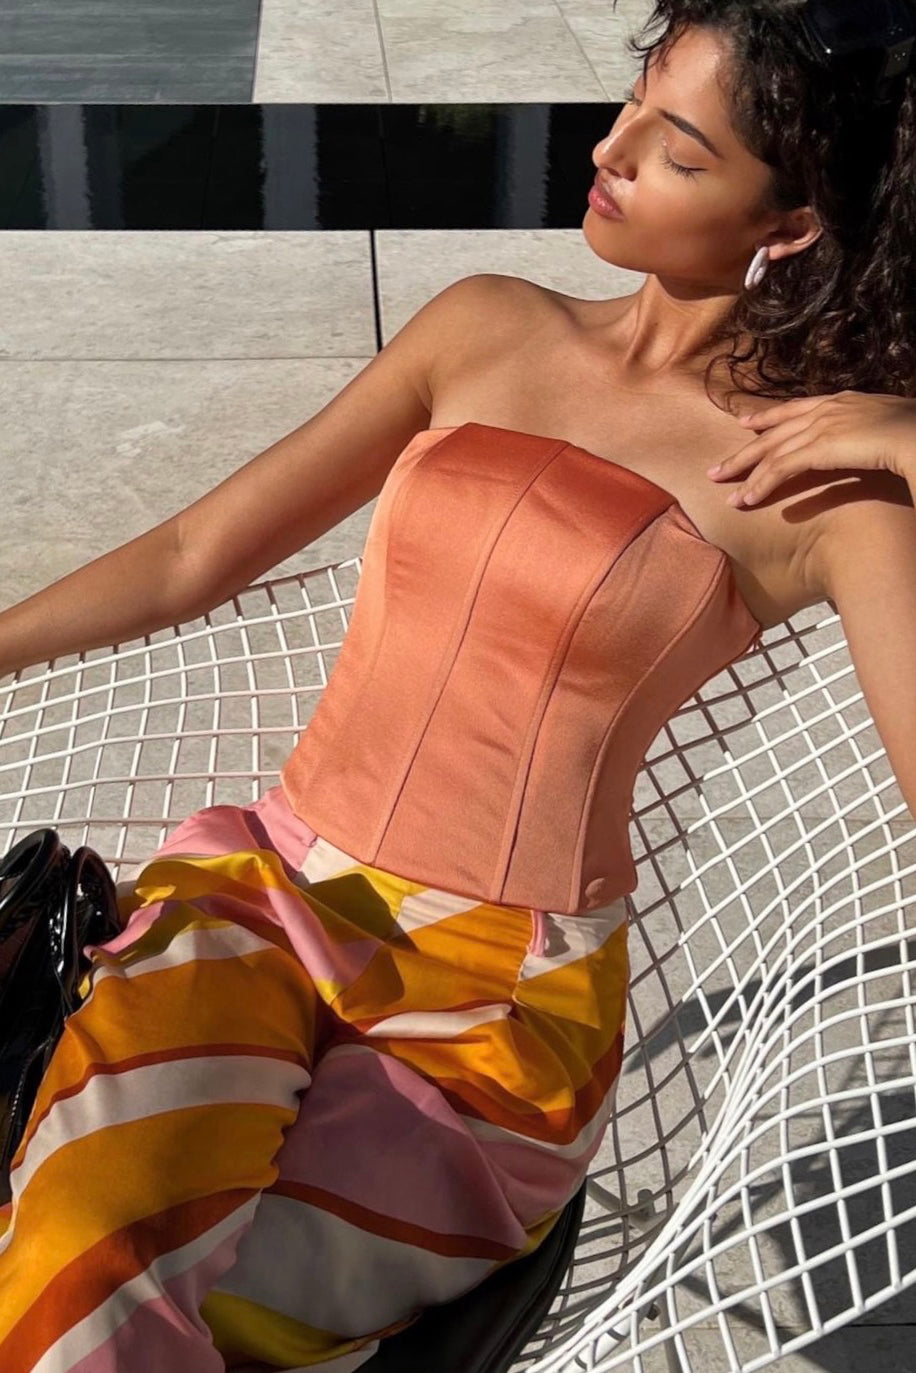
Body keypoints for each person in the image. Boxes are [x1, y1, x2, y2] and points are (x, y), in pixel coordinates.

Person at [2, 2, 916, 1369]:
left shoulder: (824, 484)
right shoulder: (487, 326)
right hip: (268, 891)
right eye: (633, 101)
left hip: (494, 1007)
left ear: (788, 223)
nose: (606, 151)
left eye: (676, 151)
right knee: (80, 1243)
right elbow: (197, 553)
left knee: (232, 1309)